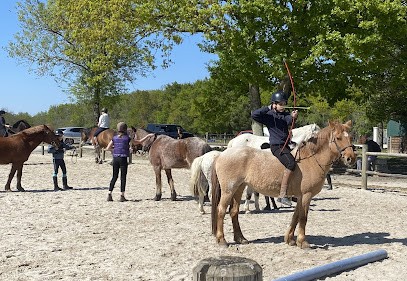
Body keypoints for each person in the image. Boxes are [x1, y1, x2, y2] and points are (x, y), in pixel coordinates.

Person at [251, 90, 298, 206]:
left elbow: (289, 121)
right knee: (291, 164)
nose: (283, 106)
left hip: (286, 145)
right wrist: (268, 108)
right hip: (276, 146)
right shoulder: (268, 116)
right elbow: (254, 115)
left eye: (284, 103)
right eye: (280, 103)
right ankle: (282, 195)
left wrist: (294, 117)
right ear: (274, 104)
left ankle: (292, 192)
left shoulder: (286, 115)